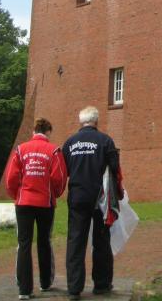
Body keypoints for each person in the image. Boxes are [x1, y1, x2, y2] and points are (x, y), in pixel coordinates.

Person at [62, 106, 123, 300]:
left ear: (81, 121)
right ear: (96, 121)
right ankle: (101, 284)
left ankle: (74, 288)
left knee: (75, 241)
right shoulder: (105, 141)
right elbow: (115, 168)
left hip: (77, 197)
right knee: (101, 241)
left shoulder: (70, 142)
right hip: (100, 198)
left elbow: (64, 169)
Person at [4, 117, 67, 301]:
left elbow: (11, 178)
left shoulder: (20, 149)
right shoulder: (54, 150)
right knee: (44, 241)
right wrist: (54, 194)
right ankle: (45, 282)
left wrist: (16, 194)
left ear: (33, 131)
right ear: (48, 132)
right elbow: (59, 178)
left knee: (24, 244)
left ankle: (24, 289)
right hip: (45, 203)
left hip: (23, 202)